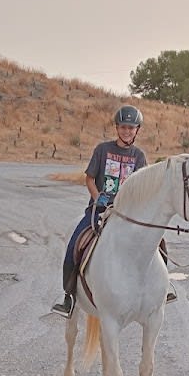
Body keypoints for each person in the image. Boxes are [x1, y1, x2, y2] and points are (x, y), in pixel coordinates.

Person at [51, 104, 157, 318]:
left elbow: (142, 187)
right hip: (98, 210)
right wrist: (97, 195)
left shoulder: (139, 156)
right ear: (117, 128)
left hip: (127, 214)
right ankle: (68, 296)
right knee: (75, 244)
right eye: (123, 127)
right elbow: (89, 177)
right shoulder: (102, 150)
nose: (127, 131)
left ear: (137, 130)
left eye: (131, 127)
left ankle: (162, 289)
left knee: (159, 243)